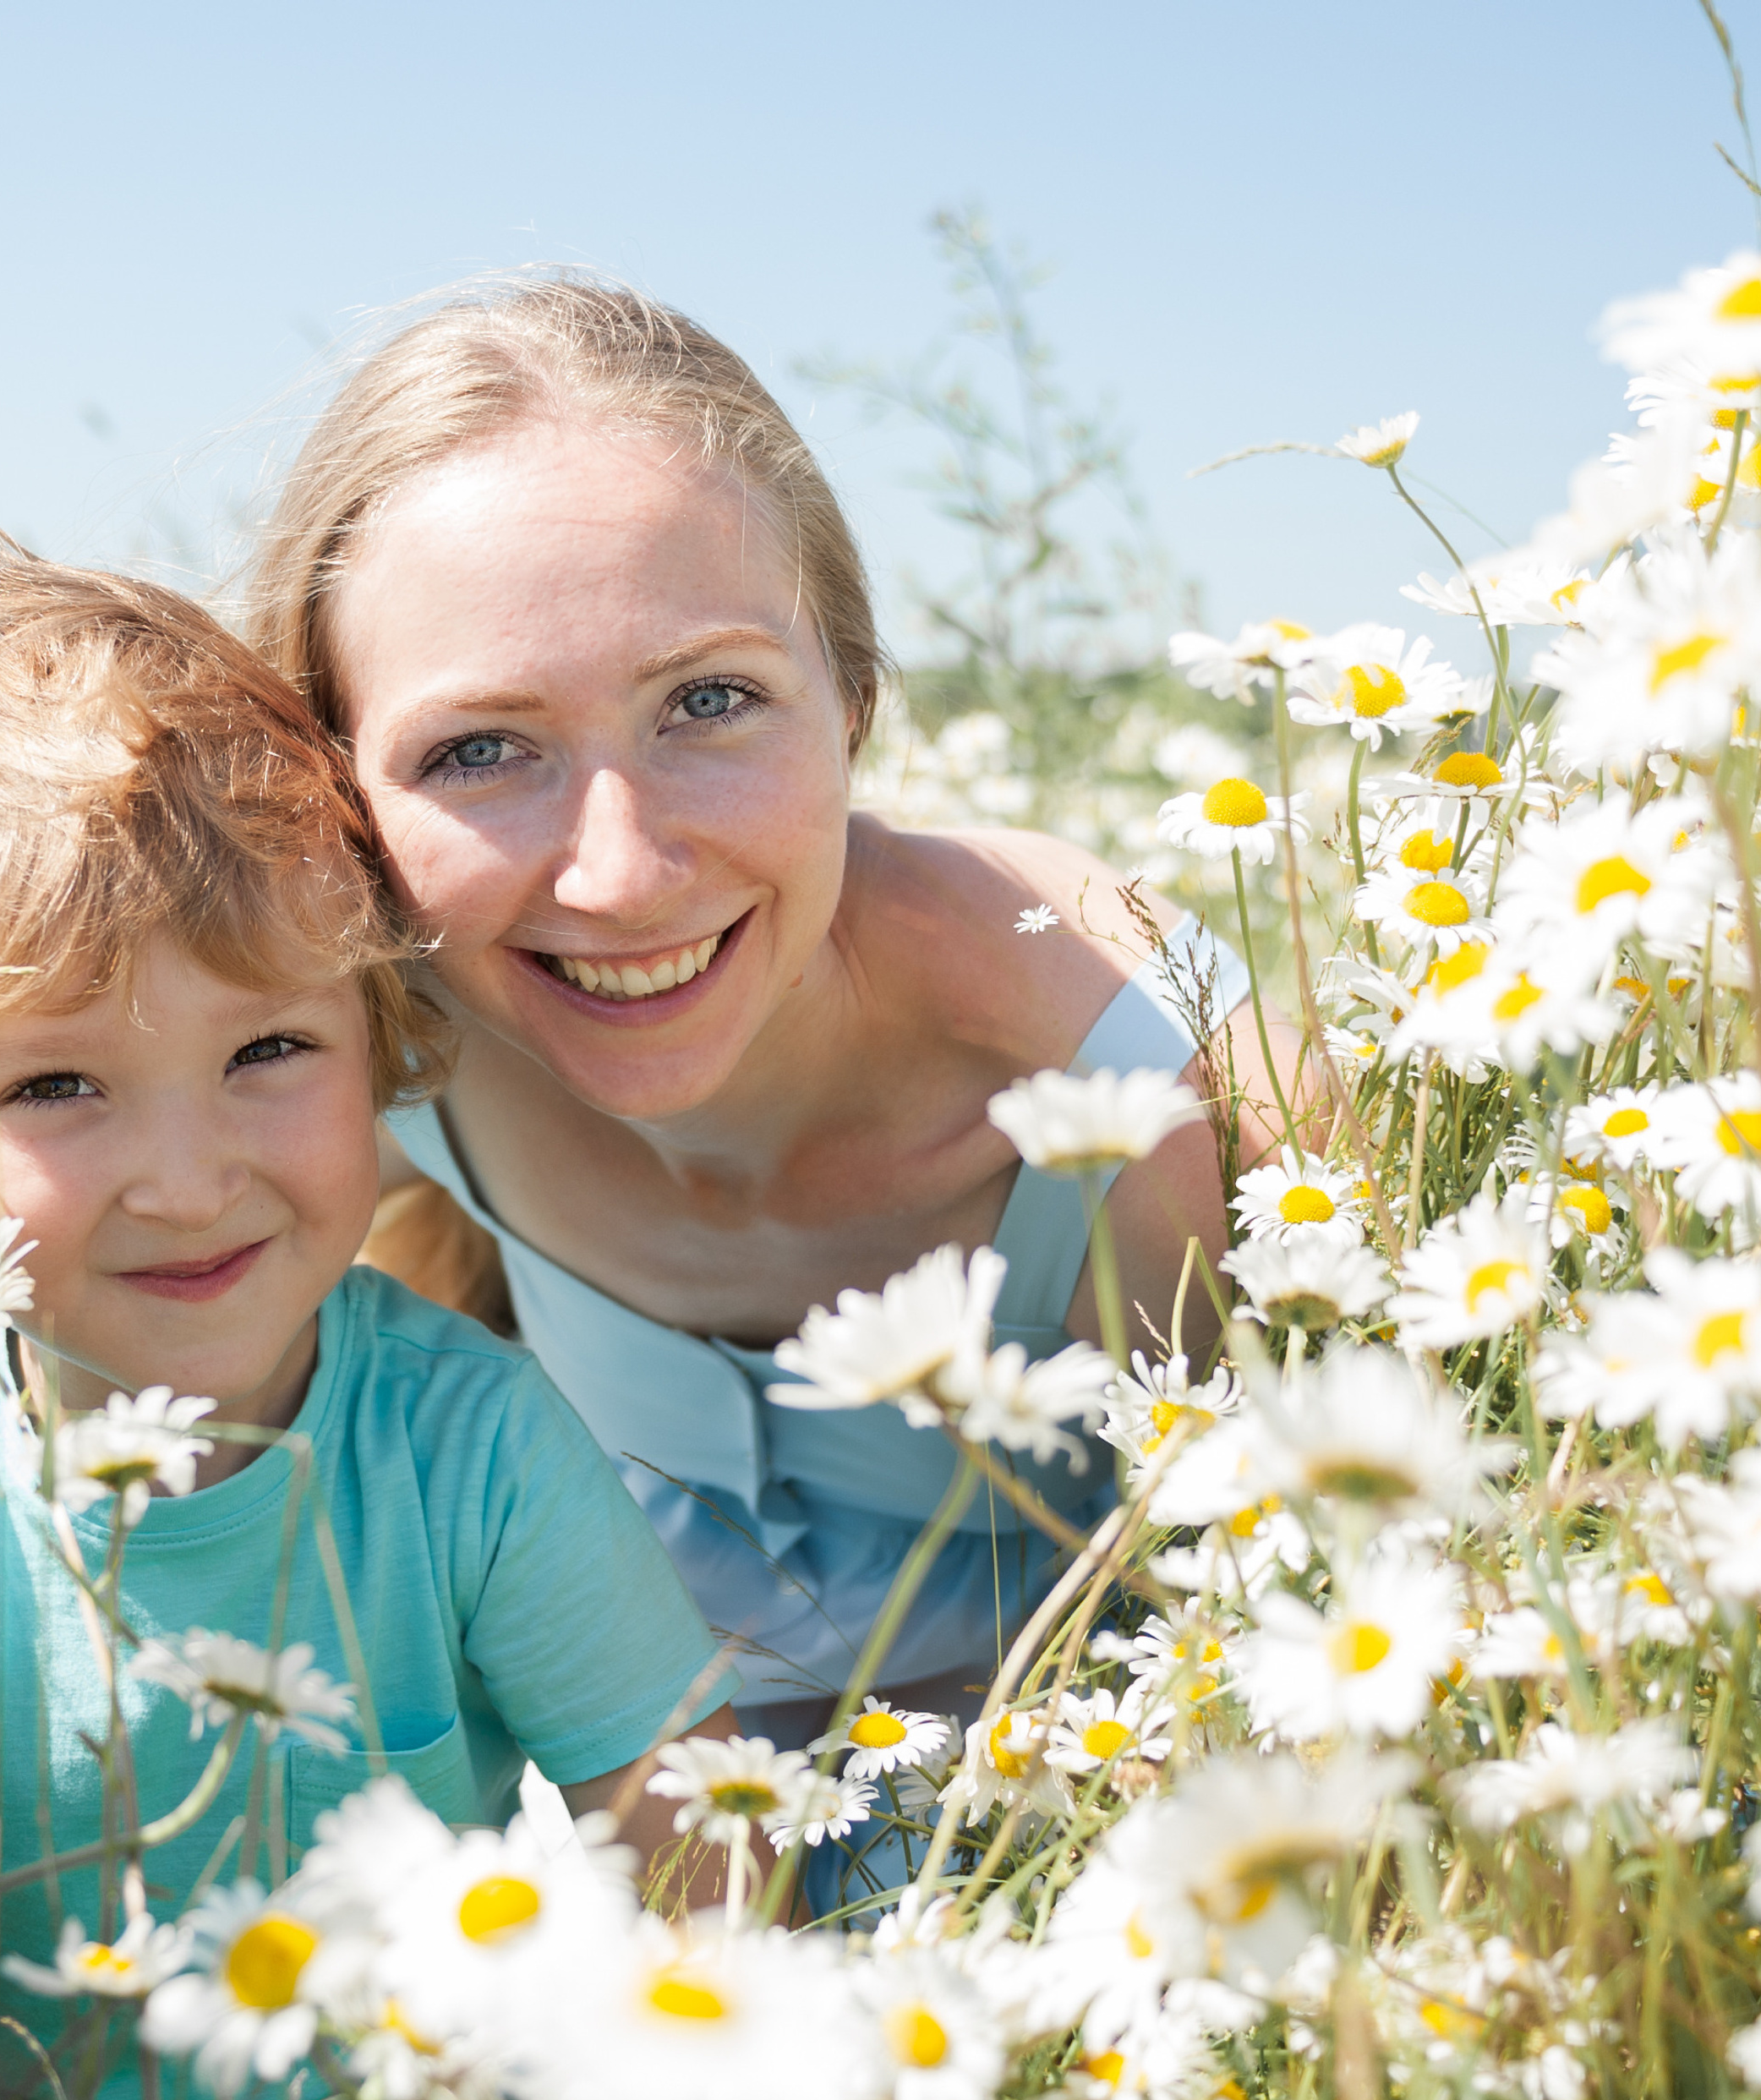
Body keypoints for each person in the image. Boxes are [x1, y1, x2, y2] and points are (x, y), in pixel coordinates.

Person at [0, 544, 746, 2100]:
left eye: (268, 1050)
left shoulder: (467, 1451)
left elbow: (696, 1833)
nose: (191, 1178)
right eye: (56, 1087)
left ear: (384, 1047)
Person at [243, 280, 1278, 1788]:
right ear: (340, 789)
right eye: (479, 749)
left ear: (854, 703)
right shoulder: (360, 1040)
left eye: (710, 700)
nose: (619, 871)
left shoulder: (1135, 1076)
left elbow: (1322, 1613)